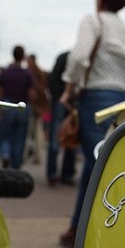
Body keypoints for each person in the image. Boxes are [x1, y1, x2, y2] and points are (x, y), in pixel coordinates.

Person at [58, 0, 125, 248]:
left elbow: (78, 57)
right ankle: (82, 227)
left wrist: (68, 88)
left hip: (95, 99)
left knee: (97, 164)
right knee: (106, 162)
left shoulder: (93, 21)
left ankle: (87, 230)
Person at [0, 45, 36, 168]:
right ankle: (16, 166)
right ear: (23, 56)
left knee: (6, 135)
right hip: (22, 106)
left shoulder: (5, 72)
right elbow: (32, 94)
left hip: (7, 105)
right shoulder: (27, 74)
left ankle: (5, 154)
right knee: (20, 138)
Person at [46, 50, 77, 186]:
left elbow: (52, 79)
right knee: (71, 137)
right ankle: (66, 174)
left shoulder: (63, 57)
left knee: (56, 138)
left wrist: (57, 97)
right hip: (71, 103)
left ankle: (53, 174)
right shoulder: (76, 59)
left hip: (61, 102)